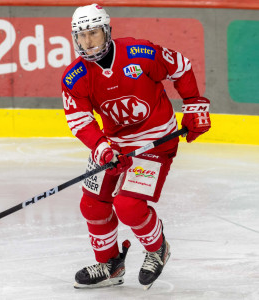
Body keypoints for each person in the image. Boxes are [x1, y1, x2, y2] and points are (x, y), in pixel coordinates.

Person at [61, 3, 211, 290]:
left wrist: (193, 105)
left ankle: (157, 249)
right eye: (81, 36)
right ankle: (110, 265)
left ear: (107, 31)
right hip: (115, 144)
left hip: (154, 142)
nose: (87, 42)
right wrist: (103, 147)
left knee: (128, 205)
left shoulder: (139, 53)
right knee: (92, 204)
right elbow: (79, 120)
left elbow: (180, 66)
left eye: (93, 33)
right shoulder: (74, 77)